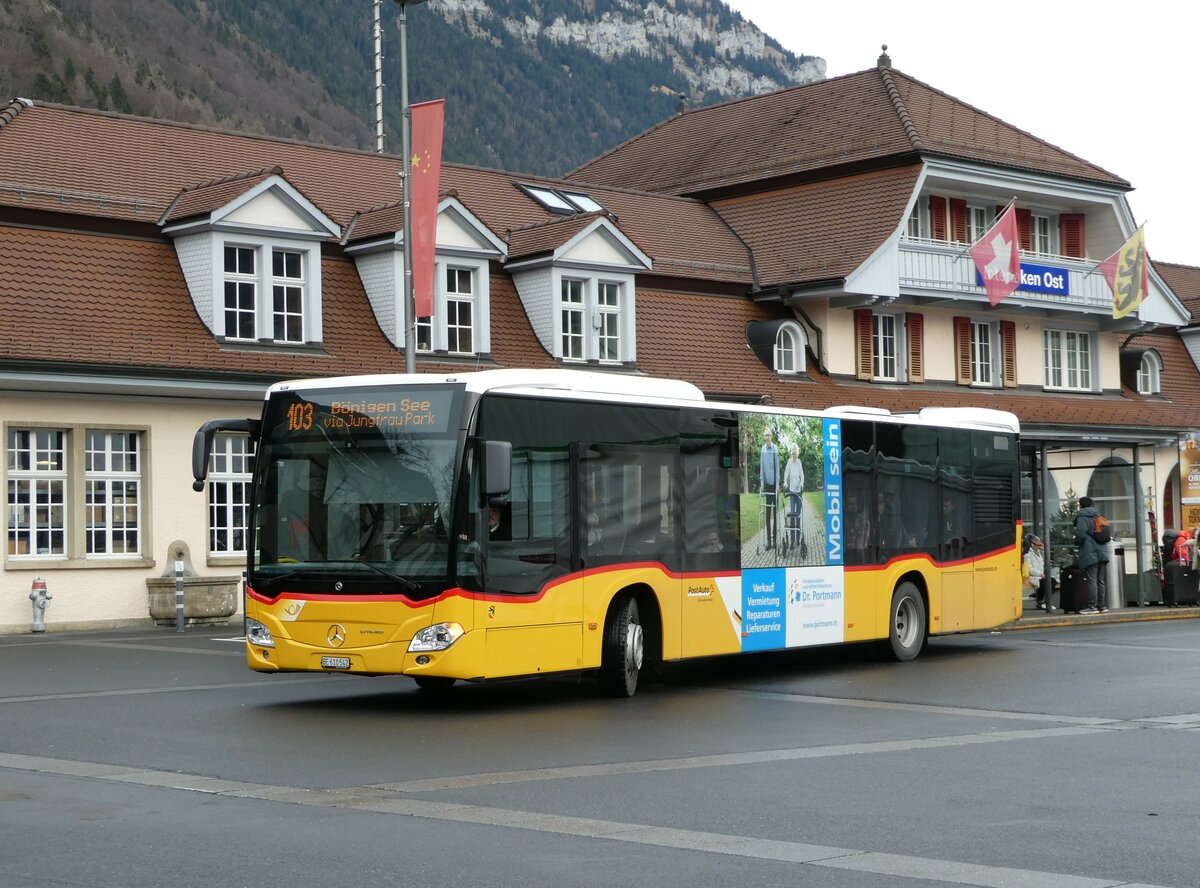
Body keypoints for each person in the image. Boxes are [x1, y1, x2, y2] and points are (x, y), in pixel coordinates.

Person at [1075, 496, 1109, 614]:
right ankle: (1102, 606)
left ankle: (1092, 607)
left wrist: (1077, 542)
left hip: (1091, 552)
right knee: (1100, 580)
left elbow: (1080, 533)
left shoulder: (1082, 517)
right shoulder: (1098, 516)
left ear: (1080, 505)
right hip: (1102, 551)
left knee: (1092, 580)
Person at [782, 443, 805, 552]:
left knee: (798, 516)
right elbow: (786, 473)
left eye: (795, 452)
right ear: (790, 452)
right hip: (791, 492)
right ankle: (792, 541)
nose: (794, 454)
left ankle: (799, 538)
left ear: (797, 452)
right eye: (792, 452)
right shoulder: (789, 462)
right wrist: (785, 482)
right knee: (792, 516)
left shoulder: (799, 462)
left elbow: (802, 475)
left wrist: (802, 482)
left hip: (798, 493)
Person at [759, 428, 779, 550]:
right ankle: (769, 542)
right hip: (767, 485)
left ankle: (775, 540)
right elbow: (761, 467)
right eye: (765, 435)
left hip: (774, 486)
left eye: (769, 435)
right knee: (767, 514)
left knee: (775, 514)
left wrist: (777, 485)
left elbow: (777, 467)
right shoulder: (762, 449)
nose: (767, 437)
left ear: (771, 436)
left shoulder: (775, 449)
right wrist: (761, 483)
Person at [1023, 534, 1055, 609]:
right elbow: (1029, 569)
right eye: (1038, 545)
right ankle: (1041, 601)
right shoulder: (1027, 554)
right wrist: (1040, 574)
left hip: (1040, 576)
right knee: (1046, 582)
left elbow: (1044, 562)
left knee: (1052, 581)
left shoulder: (1039, 553)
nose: (1039, 546)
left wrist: (1043, 550)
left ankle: (1044, 601)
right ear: (1032, 544)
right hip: (1033, 576)